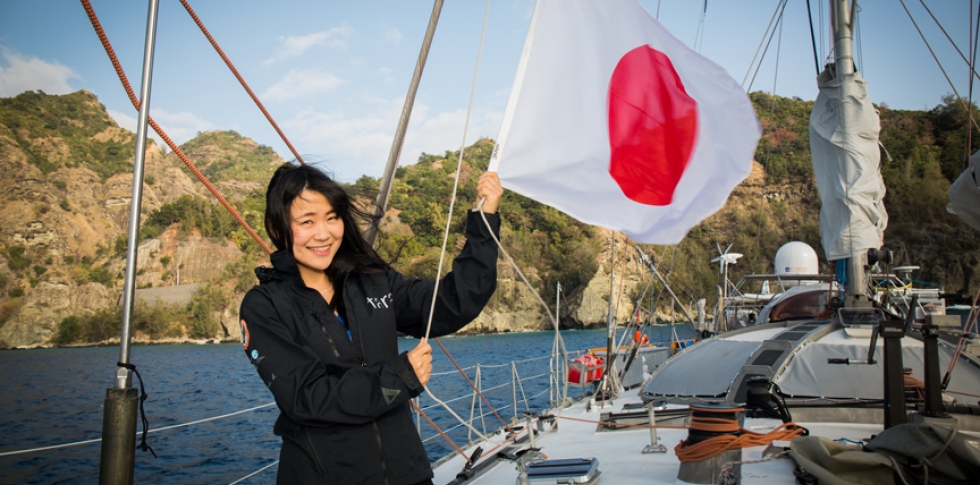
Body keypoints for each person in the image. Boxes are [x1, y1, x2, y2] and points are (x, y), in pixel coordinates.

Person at [238, 162, 502, 485]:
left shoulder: (373, 283)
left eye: (332, 218)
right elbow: (308, 396)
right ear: (277, 227)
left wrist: (485, 219)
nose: (323, 234)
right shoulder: (264, 306)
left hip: (408, 474)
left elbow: (453, 301)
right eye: (307, 222)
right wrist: (399, 377)